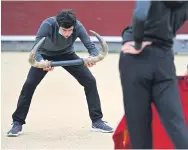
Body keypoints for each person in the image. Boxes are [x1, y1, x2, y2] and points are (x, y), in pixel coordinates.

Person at [7, 9, 113, 137]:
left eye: (70, 30)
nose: (67, 34)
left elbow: (91, 47)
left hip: (67, 54)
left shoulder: (78, 26)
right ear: (58, 25)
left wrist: (92, 58)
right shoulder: (47, 25)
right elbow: (36, 50)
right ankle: (17, 122)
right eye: (64, 30)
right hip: (46, 56)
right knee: (29, 84)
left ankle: (97, 121)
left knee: (90, 81)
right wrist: (42, 61)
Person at [119, 1, 188, 149]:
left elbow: (140, 16)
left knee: (138, 125)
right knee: (176, 123)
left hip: (134, 60)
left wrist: (138, 43)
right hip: (163, 60)